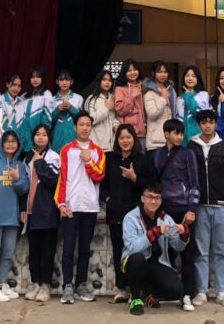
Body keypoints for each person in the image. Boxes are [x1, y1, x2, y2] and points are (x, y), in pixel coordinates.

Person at [187, 109, 224, 308]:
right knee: (201, 251)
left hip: (221, 206)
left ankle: (221, 292)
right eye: (204, 122)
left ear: (216, 124)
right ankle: (201, 291)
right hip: (200, 205)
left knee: (220, 251)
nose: (207, 125)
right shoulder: (192, 145)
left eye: (211, 122)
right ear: (199, 124)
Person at [55, 111, 106, 304]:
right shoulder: (66, 150)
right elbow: (62, 179)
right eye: (81, 124)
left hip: (90, 207)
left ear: (91, 128)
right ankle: (67, 286)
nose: (85, 128)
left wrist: (88, 160)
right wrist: (61, 203)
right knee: (68, 248)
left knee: (85, 248)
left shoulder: (98, 151)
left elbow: (99, 176)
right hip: (71, 205)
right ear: (75, 127)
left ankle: (81, 285)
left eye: (88, 125)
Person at [148, 118, 199, 311]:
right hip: (164, 210)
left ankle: (187, 295)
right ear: (166, 134)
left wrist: (192, 209)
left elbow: (194, 184)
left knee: (187, 254)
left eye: (181, 133)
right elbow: (154, 185)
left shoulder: (188, 154)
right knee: (164, 252)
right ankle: (164, 292)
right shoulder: (156, 155)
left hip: (184, 210)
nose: (180, 136)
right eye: (176, 133)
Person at [101, 123, 155, 303]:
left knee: (136, 252)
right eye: (121, 138)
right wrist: (107, 198)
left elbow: (151, 186)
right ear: (117, 140)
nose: (125, 141)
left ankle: (136, 290)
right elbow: (103, 183)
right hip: (115, 213)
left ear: (134, 139)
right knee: (119, 251)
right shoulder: (110, 159)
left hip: (135, 217)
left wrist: (134, 178)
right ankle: (122, 288)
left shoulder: (142, 160)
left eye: (128, 137)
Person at [121, 182, 192, 316]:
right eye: (150, 197)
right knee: (137, 259)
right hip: (134, 262)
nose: (153, 201)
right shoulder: (131, 218)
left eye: (157, 198)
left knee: (177, 290)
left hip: (157, 263)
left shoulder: (165, 218)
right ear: (143, 198)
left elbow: (177, 246)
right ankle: (136, 299)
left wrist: (184, 234)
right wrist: (154, 233)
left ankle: (149, 293)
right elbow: (132, 248)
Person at [0, 130, 30, 301]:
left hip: (12, 217)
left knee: (7, 254)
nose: (10, 144)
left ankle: (0, 284)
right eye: (7, 141)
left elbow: (24, 190)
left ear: (18, 145)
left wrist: (17, 178)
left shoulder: (20, 166)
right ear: (1, 144)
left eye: (13, 141)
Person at [22, 124, 60, 302]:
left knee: (47, 251)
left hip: (47, 211)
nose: (40, 137)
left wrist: (39, 163)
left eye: (44, 134)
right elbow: (24, 185)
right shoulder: (27, 157)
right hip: (31, 212)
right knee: (34, 251)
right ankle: (35, 283)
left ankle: (45, 285)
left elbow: (52, 181)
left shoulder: (53, 156)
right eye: (37, 134)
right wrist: (23, 208)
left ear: (49, 138)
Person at [142, 61, 175, 151]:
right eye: (159, 72)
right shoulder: (149, 92)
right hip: (155, 142)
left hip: (170, 141)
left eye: (165, 72)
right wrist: (163, 99)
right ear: (153, 73)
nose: (163, 75)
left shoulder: (171, 91)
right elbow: (152, 114)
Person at [82, 69, 117, 152]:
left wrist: (116, 125)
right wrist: (106, 108)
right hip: (97, 145)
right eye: (104, 80)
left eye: (109, 80)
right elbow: (90, 120)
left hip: (112, 146)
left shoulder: (113, 98)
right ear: (99, 81)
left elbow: (114, 117)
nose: (107, 82)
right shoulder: (91, 99)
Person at [114, 59, 147, 148]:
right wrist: (132, 96)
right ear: (124, 73)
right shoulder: (120, 88)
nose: (132, 72)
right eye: (129, 71)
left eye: (135, 70)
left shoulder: (143, 87)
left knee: (141, 156)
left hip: (143, 133)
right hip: (127, 133)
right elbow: (119, 110)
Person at [19, 67, 53, 152]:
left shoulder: (46, 94)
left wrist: (42, 136)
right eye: (33, 77)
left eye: (38, 77)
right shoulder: (24, 96)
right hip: (24, 137)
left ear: (42, 79)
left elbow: (47, 119)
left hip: (38, 138)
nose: (35, 79)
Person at [50, 69, 83, 153]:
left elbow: (82, 120)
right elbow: (49, 121)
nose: (64, 82)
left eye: (67, 80)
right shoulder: (52, 99)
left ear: (71, 82)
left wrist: (71, 108)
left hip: (73, 136)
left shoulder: (78, 98)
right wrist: (57, 110)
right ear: (57, 81)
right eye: (61, 80)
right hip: (57, 137)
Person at [177, 66, 209, 143]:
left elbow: (198, 113)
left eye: (193, 76)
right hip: (181, 139)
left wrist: (188, 96)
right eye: (187, 76)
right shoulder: (179, 98)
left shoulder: (203, 95)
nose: (190, 78)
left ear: (198, 78)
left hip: (198, 137)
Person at [0, 74, 26, 138]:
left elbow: (24, 123)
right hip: (4, 138)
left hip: (20, 139)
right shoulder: (0, 100)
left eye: (19, 86)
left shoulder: (22, 102)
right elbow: (1, 122)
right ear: (7, 84)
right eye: (13, 85)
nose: (16, 88)